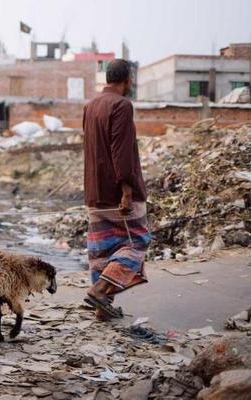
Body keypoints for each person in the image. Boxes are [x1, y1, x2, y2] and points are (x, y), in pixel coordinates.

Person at [82, 59, 151, 321]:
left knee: (102, 251)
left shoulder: (90, 106)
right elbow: (120, 151)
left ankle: (102, 311)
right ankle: (100, 291)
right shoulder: (122, 105)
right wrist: (126, 190)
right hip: (116, 193)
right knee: (137, 242)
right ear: (128, 80)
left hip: (94, 191)